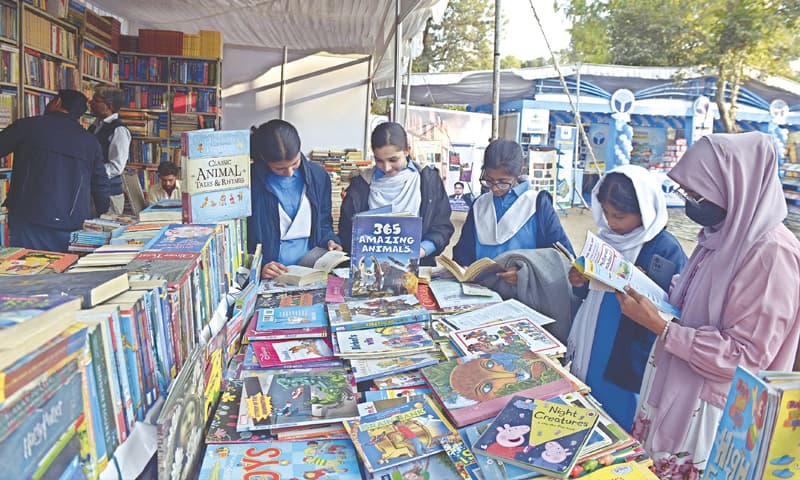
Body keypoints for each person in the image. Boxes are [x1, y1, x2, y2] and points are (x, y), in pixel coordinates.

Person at [616, 132, 800, 475]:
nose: (691, 202)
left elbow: (746, 358)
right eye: (687, 192)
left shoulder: (770, 253)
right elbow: (694, 298)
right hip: (677, 385)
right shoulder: (722, 233)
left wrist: (661, 327)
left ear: (737, 185)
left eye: (698, 193)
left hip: (711, 410)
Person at [565, 165, 687, 431]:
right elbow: (588, 291)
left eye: (619, 216)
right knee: (588, 400)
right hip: (594, 335)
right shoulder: (605, 238)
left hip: (629, 348)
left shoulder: (664, 248)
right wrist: (579, 281)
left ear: (644, 211)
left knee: (621, 414)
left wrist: (642, 285)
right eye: (606, 214)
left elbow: (676, 307)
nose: (610, 223)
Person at [0, 90, 110, 252]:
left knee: (25, 270)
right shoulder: (90, 142)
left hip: (28, 216)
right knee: (64, 271)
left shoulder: (27, 126)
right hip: (71, 221)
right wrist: (102, 214)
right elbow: (100, 183)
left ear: (57, 102)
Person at [453, 139, 574, 284]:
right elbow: (464, 249)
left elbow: (562, 258)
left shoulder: (537, 204)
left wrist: (526, 273)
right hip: (481, 288)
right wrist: (463, 267)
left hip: (524, 294)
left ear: (519, 173)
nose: (495, 188)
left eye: (503, 182)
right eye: (489, 180)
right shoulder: (480, 204)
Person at [339, 122, 454, 266]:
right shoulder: (361, 184)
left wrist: (421, 250)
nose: (387, 168)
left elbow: (442, 227)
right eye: (379, 160)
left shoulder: (428, 180)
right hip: (368, 270)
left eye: (393, 160)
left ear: (407, 150)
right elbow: (345, 231)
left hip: (418, 267)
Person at [248, 119, 341, 278]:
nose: (290, 172)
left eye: (295, 163)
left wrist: (331, 241)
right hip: (272, 274)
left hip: (312, 272)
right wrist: (258, 267)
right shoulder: (250, 182)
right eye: (280, 168)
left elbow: (324, 222)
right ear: (264, 160)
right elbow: (242, 238)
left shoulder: (318, 176)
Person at [88, 85, 131, 215]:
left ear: (109, 106)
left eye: (96, 100)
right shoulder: (94, 127)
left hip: (109, 194)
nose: (91, 103)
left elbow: (117, 166)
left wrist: (93, 172)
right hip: (92, 190)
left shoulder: (119, 130)